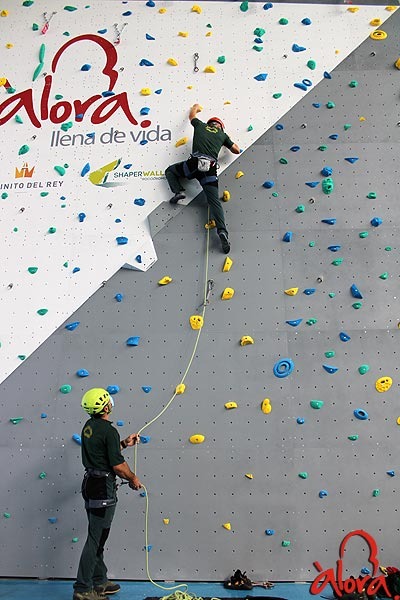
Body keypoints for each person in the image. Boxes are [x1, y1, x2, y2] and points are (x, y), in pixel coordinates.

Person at [73, 388, 142, 600]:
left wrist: (124, 444)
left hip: (91, 484)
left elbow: (102, 452)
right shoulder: (109, 431)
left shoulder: (90, 427)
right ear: (105, 406)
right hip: (103, 487)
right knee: (96, 538)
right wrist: (133, 478)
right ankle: (83, 589)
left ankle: (100, 580)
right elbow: (118, 466)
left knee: (98, 536)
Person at [165, 104, 241, 254]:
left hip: (193, 165)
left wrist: (195, 107)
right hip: (210, 169)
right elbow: (236, 150)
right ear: (220, 127)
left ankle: (178, 192)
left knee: (171, 171)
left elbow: (191, 116)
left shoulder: (200, 125)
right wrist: (226, 142)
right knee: (214, 202)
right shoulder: (222, 135)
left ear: (209, 124)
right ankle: (222, 232)